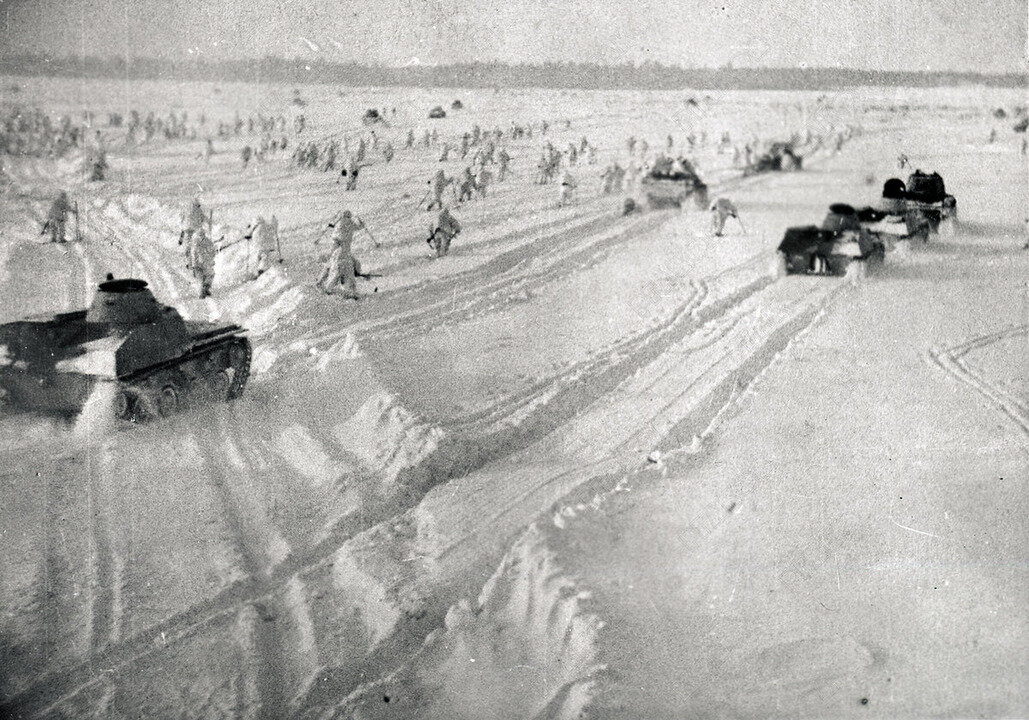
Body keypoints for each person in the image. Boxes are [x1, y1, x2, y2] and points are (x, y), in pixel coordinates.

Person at [188, 226, 216, 298]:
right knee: (210, 275)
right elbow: (213, 253)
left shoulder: (194, 243)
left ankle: (203, 291)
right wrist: (212, 260)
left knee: (201, 279)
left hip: (198, 263)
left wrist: (193, 265)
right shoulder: (209, 241)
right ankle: (205, 288)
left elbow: (193, 255)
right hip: (206, 263)